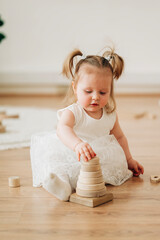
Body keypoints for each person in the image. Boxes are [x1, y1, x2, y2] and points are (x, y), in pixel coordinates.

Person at [30, 47, 144, 201]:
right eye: (88, 91)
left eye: (103, 92)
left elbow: (120, 137)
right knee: (57, 163)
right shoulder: (74, 112)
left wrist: (129, 160)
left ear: (110, 91)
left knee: (99, 169)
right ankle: (62, 186)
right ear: (75, 88)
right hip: (72, 151)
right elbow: (62, 129)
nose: (95, 97)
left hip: (96, 156)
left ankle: (87, 182)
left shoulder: (110, 115)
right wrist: (77, 145)